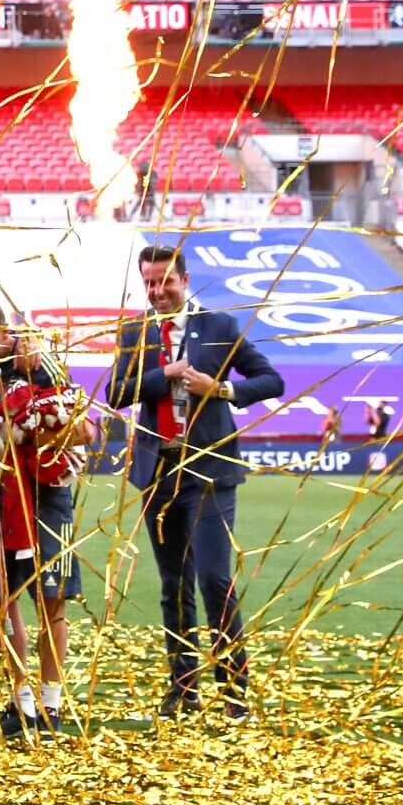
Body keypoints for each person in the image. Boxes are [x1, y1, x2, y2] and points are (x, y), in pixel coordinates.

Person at [107, 243, 283, 720]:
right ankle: (182, 688)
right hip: (158, 472)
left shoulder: (220, 327)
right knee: (173, 583)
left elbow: (271, 380)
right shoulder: (136, 332)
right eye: (147, 282)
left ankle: (234, 689)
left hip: (208, 471)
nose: (156, 291)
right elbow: (116, 393)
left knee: (213, 578)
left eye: (164, 281)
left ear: (184, 279)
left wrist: (221, 388)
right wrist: (165, 373)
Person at [0, 322, 86, 735]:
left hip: (51, 504)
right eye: (7, 336)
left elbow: (86, 431)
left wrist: (43, 419)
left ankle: (51, 703)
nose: (17, 344)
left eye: (21, 336)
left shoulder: (59, 380)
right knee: (4, 601)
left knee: (53, 604)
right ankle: (22, 701)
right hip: (2, 503)